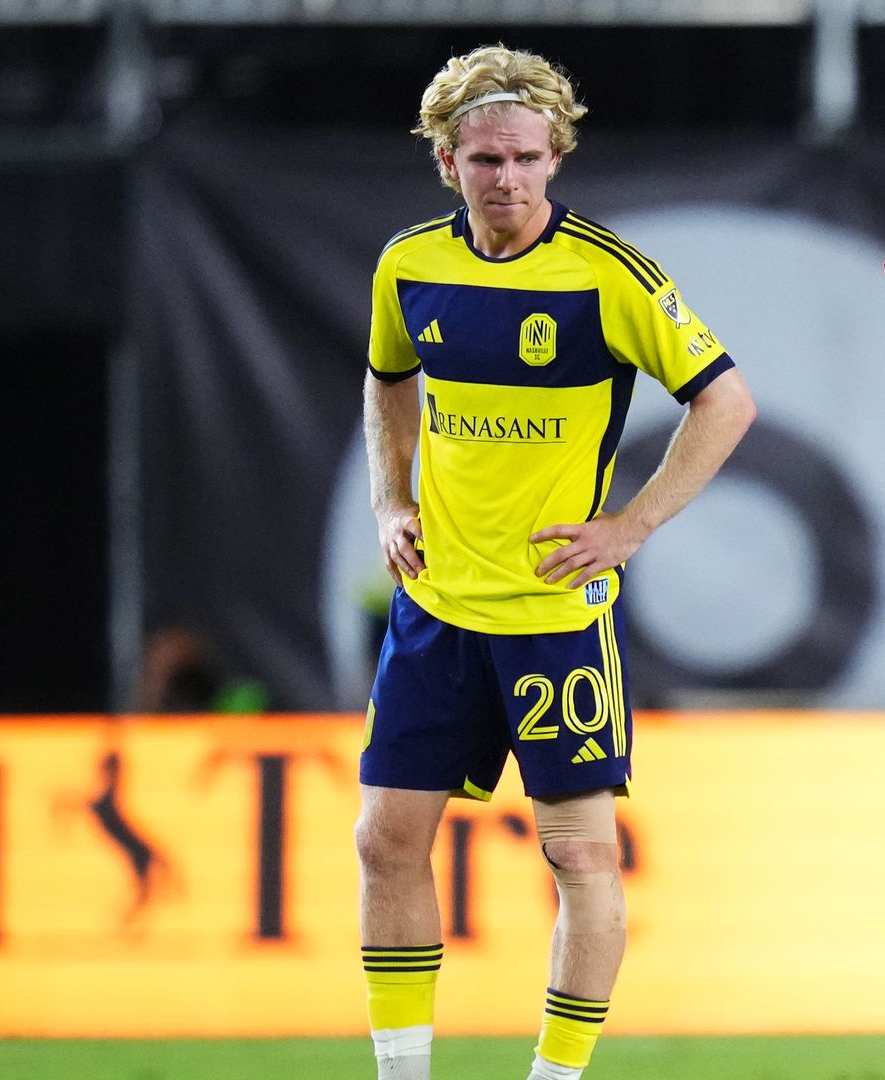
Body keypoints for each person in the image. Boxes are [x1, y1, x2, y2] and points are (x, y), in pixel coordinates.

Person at [356, 44, 755, 1080]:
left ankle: (556, 1077)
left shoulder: (607, 274)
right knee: (383, 842)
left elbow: (727, 401)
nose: (508, 180)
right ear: (447, 163)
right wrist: (389, 495)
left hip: (551, 616)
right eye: (486, 161)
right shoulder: (409, 264)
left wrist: (631, 527)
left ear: (556, 157)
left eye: (528, 158)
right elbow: (388, 378)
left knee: (579, 855)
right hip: (436, 609)